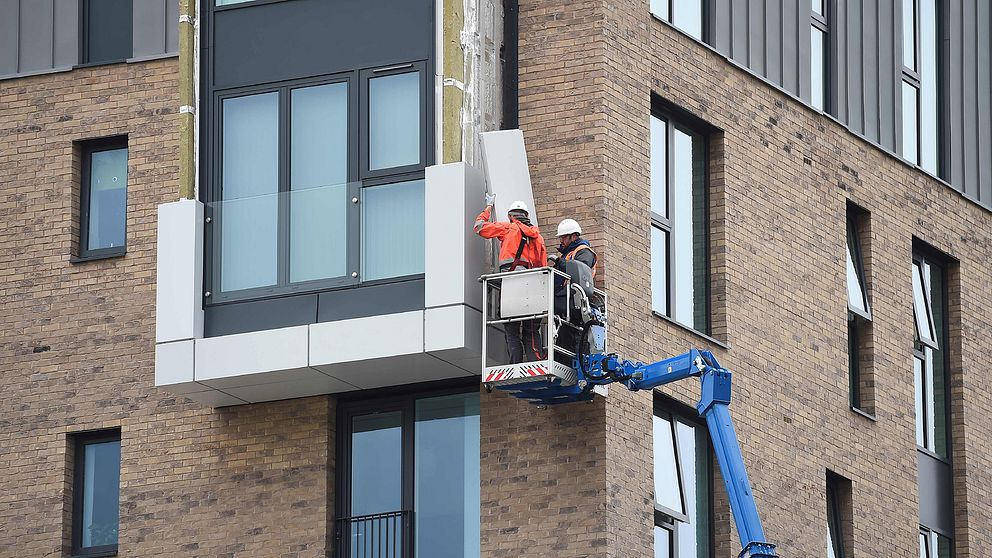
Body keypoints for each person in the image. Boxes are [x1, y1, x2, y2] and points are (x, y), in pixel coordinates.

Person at [474, 194, 549, 364]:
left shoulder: (509, 228)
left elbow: (479, 227)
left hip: (512, 284)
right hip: (533, 286)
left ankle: (515, 364)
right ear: (527, 216)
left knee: (511, 327)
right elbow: (543, 268)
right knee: (530, 330)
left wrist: (488, 208)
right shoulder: (539, 238)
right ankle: (535, 362)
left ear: (511, 216)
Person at [551, 218, 598, 365]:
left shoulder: (584, 252)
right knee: (563, 335)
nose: (561, 240)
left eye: (564, 237)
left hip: (573, 299)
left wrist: (560, 263)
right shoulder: (568, 253)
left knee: (570, 336)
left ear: (574, 236)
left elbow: (580, 270)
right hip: (564, 298)